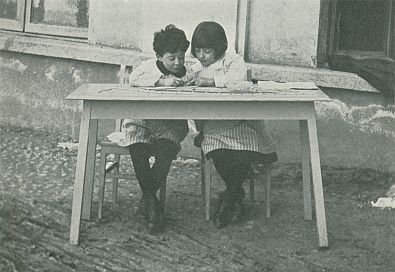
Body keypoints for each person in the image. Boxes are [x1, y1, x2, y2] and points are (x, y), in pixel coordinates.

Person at [188, 21, 278, 228]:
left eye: (207, 51)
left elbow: (238, 80)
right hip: (213, 126)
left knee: (242, 154)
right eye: (198, 51)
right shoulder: (197, 67)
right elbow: (189, 76)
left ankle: (229, 199)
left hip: (241, 123)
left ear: (219, 48)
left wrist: (210, 82)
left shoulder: (234, 62)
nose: (202, 56)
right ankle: (234, 195)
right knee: (219, 153)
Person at [107, 24, 190, 233]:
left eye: (181, 57)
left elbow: (198, 81)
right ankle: (153, 204)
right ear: (159, 56)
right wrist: (162, 82)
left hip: (169, 124)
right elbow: (134, 79)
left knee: (166, 151)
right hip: (141, 121)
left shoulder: (190, 71)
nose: (178, 62)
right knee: (138, 149)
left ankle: (148, 199)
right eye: (172, 58)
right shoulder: (147, 67)